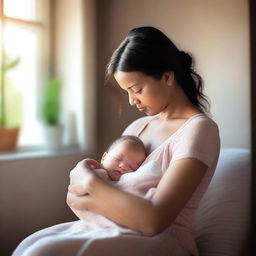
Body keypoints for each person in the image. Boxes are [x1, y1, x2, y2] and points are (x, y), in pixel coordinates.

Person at [12, 26, 220, 256]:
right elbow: (76, 200)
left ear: (168, 76)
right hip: (109, 227)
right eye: (127, 92)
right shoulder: (138, 128)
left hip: (161, 241)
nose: (132, 101)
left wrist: (89, 181)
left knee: (43, 251)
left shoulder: (199, 129)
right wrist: (91, 189)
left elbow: (153, 220)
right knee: (33, 244)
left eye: (137, 89)